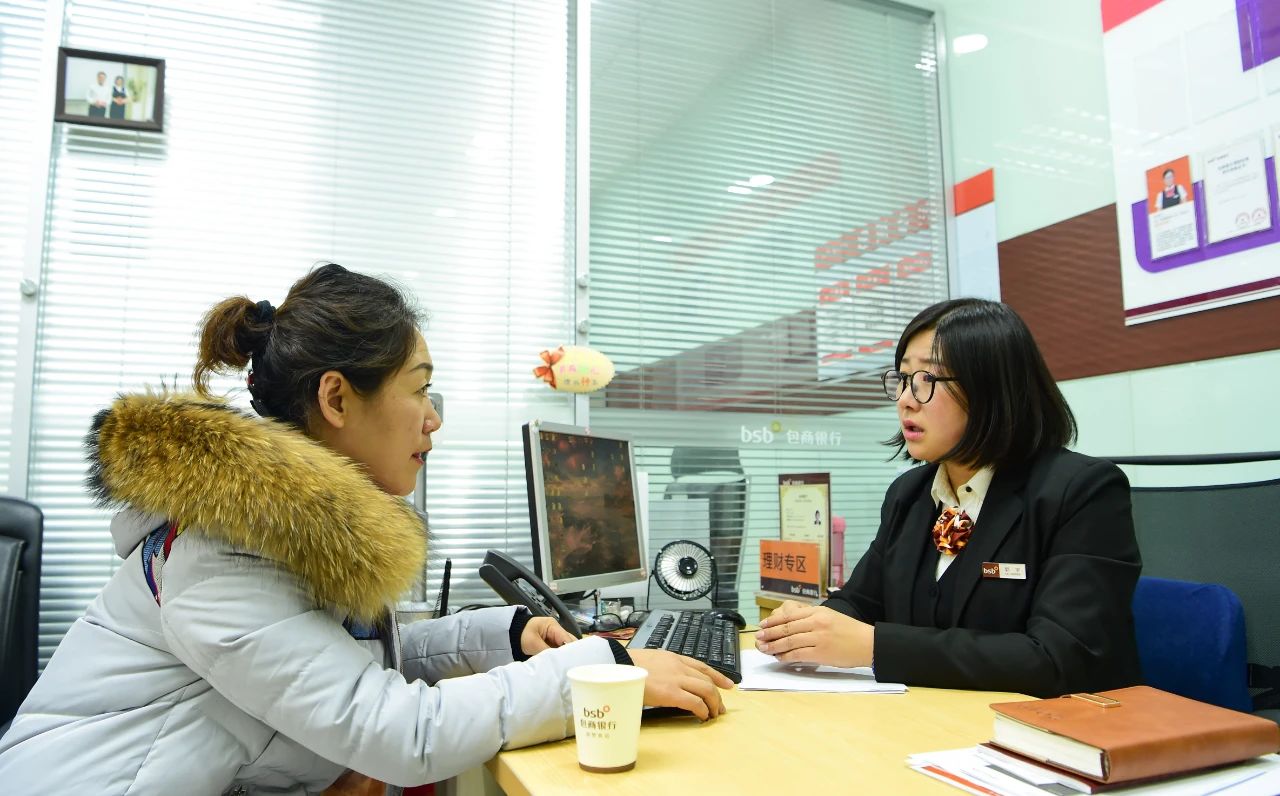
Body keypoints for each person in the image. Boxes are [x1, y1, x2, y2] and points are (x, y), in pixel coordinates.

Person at [0, 263, 732, 794]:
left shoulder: (278, 530)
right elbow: (403, 733)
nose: (433, 418)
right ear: (337, 399)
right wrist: (605, 672)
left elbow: (335, 664)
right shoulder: (222, 552)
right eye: (421, 389)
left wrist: (503, 636)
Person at [755, 298, 1142, 698]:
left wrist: (874, 647)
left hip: (1049, 726)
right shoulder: (910, 494)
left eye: (927, 379)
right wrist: (805, 627)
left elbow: (1061, 658)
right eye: (903, 378)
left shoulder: (1082, 491)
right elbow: (861, 602)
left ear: (992, 388)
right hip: (933, 719)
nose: (906, 399)